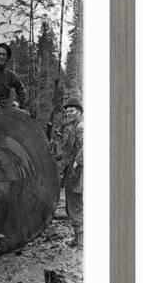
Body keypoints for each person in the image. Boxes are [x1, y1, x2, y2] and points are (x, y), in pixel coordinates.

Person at [62, 97, 84, 248]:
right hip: (71, 170)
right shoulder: (70, 127)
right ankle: (78, 238)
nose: (69, 113)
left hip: (78, 170)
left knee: (76, 204)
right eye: (67, 111)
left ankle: (81, 241)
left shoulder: (80, 126)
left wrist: (77, 163)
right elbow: (68, 151)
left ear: (79, 112)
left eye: (72, 110)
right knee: (71, 205)